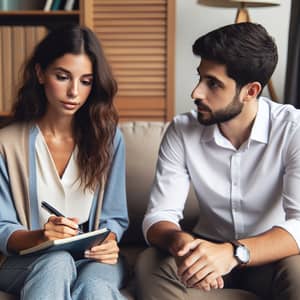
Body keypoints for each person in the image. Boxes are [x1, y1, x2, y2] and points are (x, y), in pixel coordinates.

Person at [136, 22, 300, 300]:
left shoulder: (292, 129)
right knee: (149, 267)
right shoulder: (181, 131)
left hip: (272, 251)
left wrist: (234, 252)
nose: (196, 93)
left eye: (213, 83)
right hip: (205, 246)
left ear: (250, 91)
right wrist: (183, 243)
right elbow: (159, 215)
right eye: (200, 78)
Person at [0, 24, 128, 299]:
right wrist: (42, 237)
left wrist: (108, 241)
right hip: (28, 259)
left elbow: (114, 217)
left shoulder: (109, 139)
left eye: (85, 81)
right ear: (40, 73)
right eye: (62, 76)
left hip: (94, 258)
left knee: (96, 288)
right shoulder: (5, 144)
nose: (74, 92)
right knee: (57, 262)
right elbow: (2, 227)